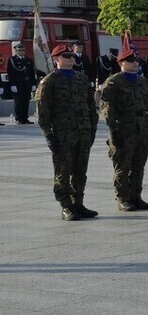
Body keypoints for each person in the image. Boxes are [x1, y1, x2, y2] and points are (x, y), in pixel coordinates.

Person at [35, 44, 99, 220]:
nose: (71, 58)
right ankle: (66, 206)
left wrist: (93, 128)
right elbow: (43, 113)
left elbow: (90, 106)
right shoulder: (49, 81)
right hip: (63, 135)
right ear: (56, 59)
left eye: (71, 55)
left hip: (83, 132)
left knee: (80, 171)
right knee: (63, 172)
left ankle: (78, 204)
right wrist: (49, 135)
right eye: (66, 56)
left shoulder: (81, 78)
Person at [101, 46, 148, 211]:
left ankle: (136, 196)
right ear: (121, 63)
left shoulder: (143, 81)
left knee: (138, 166)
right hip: (123, 129)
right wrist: (113, 132)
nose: (135, 63)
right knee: (122, 166)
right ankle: (122, 198)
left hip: (142, 129)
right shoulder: (113, 82)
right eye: (130, 61)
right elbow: (107, 110)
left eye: (136, 60)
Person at [7, 41, 36, 124]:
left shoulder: (28, 59)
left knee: (26, 100)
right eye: (20, 50)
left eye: (23, 50)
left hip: (27, 83)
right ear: (16, 51)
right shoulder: (12, 60)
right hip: (17, 84)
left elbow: (31, 73)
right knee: (18, 101)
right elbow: (10, 73)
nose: (22, 52)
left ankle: (25, 117)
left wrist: (33, 84)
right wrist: (12, 84)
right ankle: (19, 118)